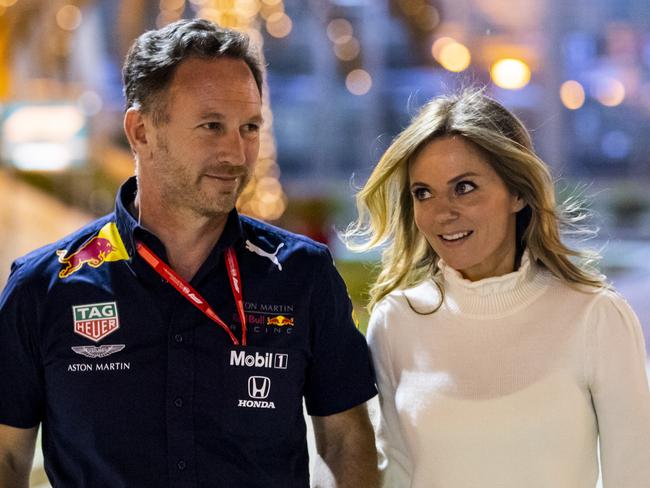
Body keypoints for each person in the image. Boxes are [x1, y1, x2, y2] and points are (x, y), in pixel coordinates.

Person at [0, 19, 379, 487]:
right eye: (211, 126)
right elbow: (8, 459)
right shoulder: (44, 286)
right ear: (140, 131)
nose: (237, 154)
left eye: (250, 127)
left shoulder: (301, 274)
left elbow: (347, 443)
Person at [345, 89, 650, 487]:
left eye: (464, 187)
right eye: (424, 193)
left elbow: (634, 475)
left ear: (518, 193)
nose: (442, 212)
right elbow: (396, 475)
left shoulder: (595, 316)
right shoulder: (396, 322)